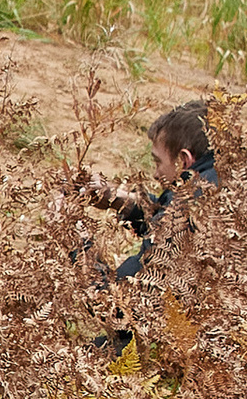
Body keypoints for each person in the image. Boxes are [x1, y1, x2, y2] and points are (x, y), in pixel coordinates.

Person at [78, 101, 221, 284]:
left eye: (158, 162)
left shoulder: (186, 210)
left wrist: (79, 246)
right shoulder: (243, 183)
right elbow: (170, 226)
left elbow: (118, 301)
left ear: (184, 160)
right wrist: (124, 202)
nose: (155, 174)